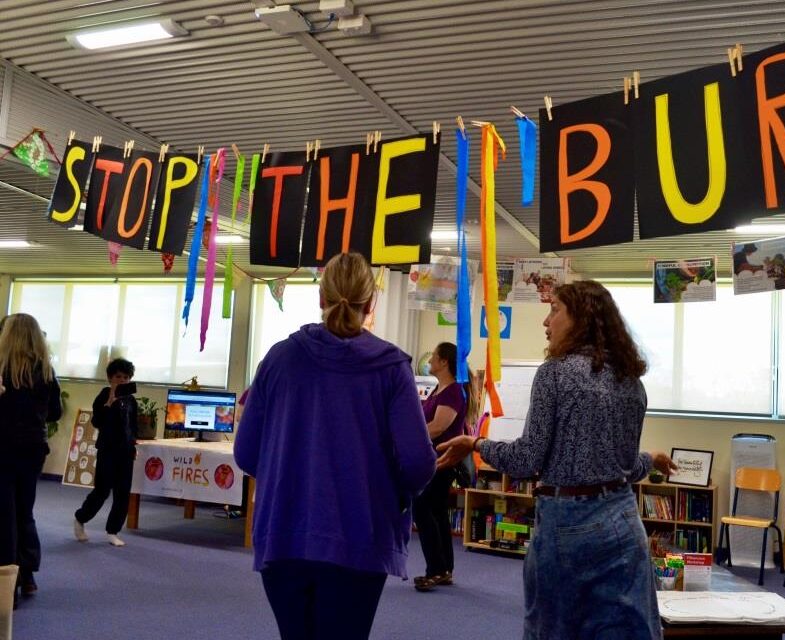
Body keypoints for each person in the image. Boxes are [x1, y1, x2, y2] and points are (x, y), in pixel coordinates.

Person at [438, 280, 677, 639]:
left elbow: (526, 458)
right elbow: (621, 468)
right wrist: (650, 458)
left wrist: (476, 444)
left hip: (570, 529)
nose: (546, 322)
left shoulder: (555, 373)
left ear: (581, 318)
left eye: (554, 310)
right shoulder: (631, 381)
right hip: (625, 524)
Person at [234, 252, 436, 640]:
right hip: (359, 537)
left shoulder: (279, 358)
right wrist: (386, 486)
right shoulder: (391, 368)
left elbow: (245, 454)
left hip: (283, 535)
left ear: (320, 298)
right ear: (370, 303)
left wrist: (291, 469)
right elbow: (417, 462)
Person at [0, 313, 62, 605]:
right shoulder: (47, 371)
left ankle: (6, 585)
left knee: (5, 515)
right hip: (33, 449)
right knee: (25, 511)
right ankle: (28, 575)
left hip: (2, 449)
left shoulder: (1, 370)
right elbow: (55, 413)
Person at [412, 341, 475, 592]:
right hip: (435, 458)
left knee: (423, 508)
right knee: (436, 511)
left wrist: (411, 436)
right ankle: (444, 569)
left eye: (434, 358)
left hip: (443, 459)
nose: (430, 362)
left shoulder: (453, 392)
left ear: (444, 362)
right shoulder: (441, 388)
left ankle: (436, 570)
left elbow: (438, 427)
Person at [74, 358, 139, 547]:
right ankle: (80, 518)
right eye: (118, 377)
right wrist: (109, 403)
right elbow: (97, 422)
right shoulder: (103, 396)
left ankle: (112, 531)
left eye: (126, 377)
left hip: (125, 452)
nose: (122, 380)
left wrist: (133, 445)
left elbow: (133, 426)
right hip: (107, 450)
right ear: (110, 378)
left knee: (123, 493)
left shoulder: (131, 400)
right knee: (102, 490)